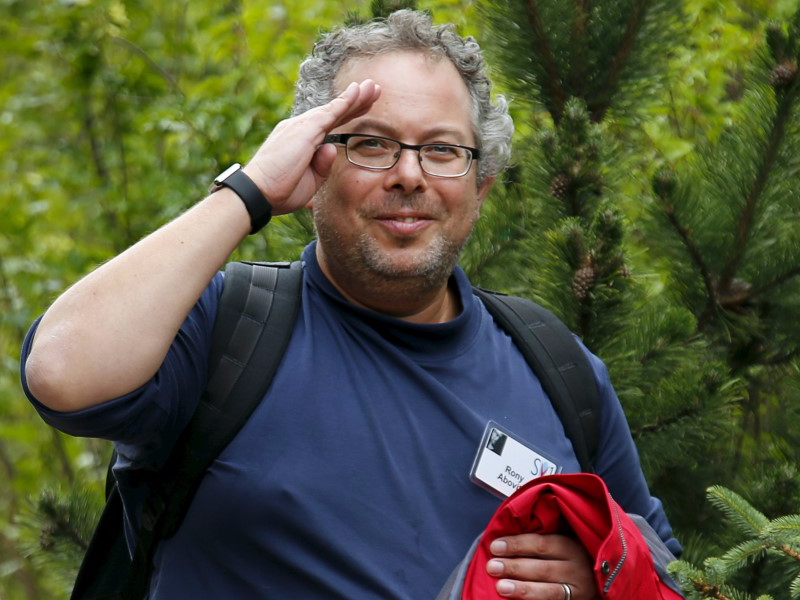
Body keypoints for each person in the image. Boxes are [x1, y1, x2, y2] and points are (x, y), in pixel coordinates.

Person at [21, 9, 682, 600]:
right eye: (371, 143)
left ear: (480, 184)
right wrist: (246, 194)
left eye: (442, 149)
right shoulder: (228, 329)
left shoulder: (558, 370)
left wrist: (596, 577)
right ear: (312, 167)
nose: (409, 174)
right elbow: (61, 371)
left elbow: (662, 568)